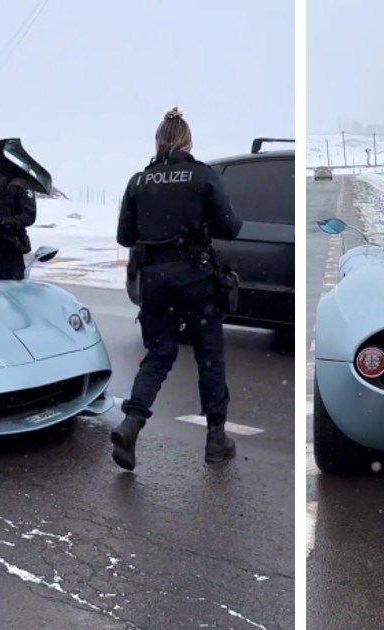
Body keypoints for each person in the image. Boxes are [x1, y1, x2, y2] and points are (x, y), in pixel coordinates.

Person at [111, 107, 243, 471]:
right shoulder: (202, 176)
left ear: (159, 141)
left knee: (158, 355)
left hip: (155, 281)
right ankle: (216, 438)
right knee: (209, 357)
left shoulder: (139, 181)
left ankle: (131, 424)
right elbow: (231, 227)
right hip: (196, 279)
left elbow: (125, 237)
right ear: (187, 141)